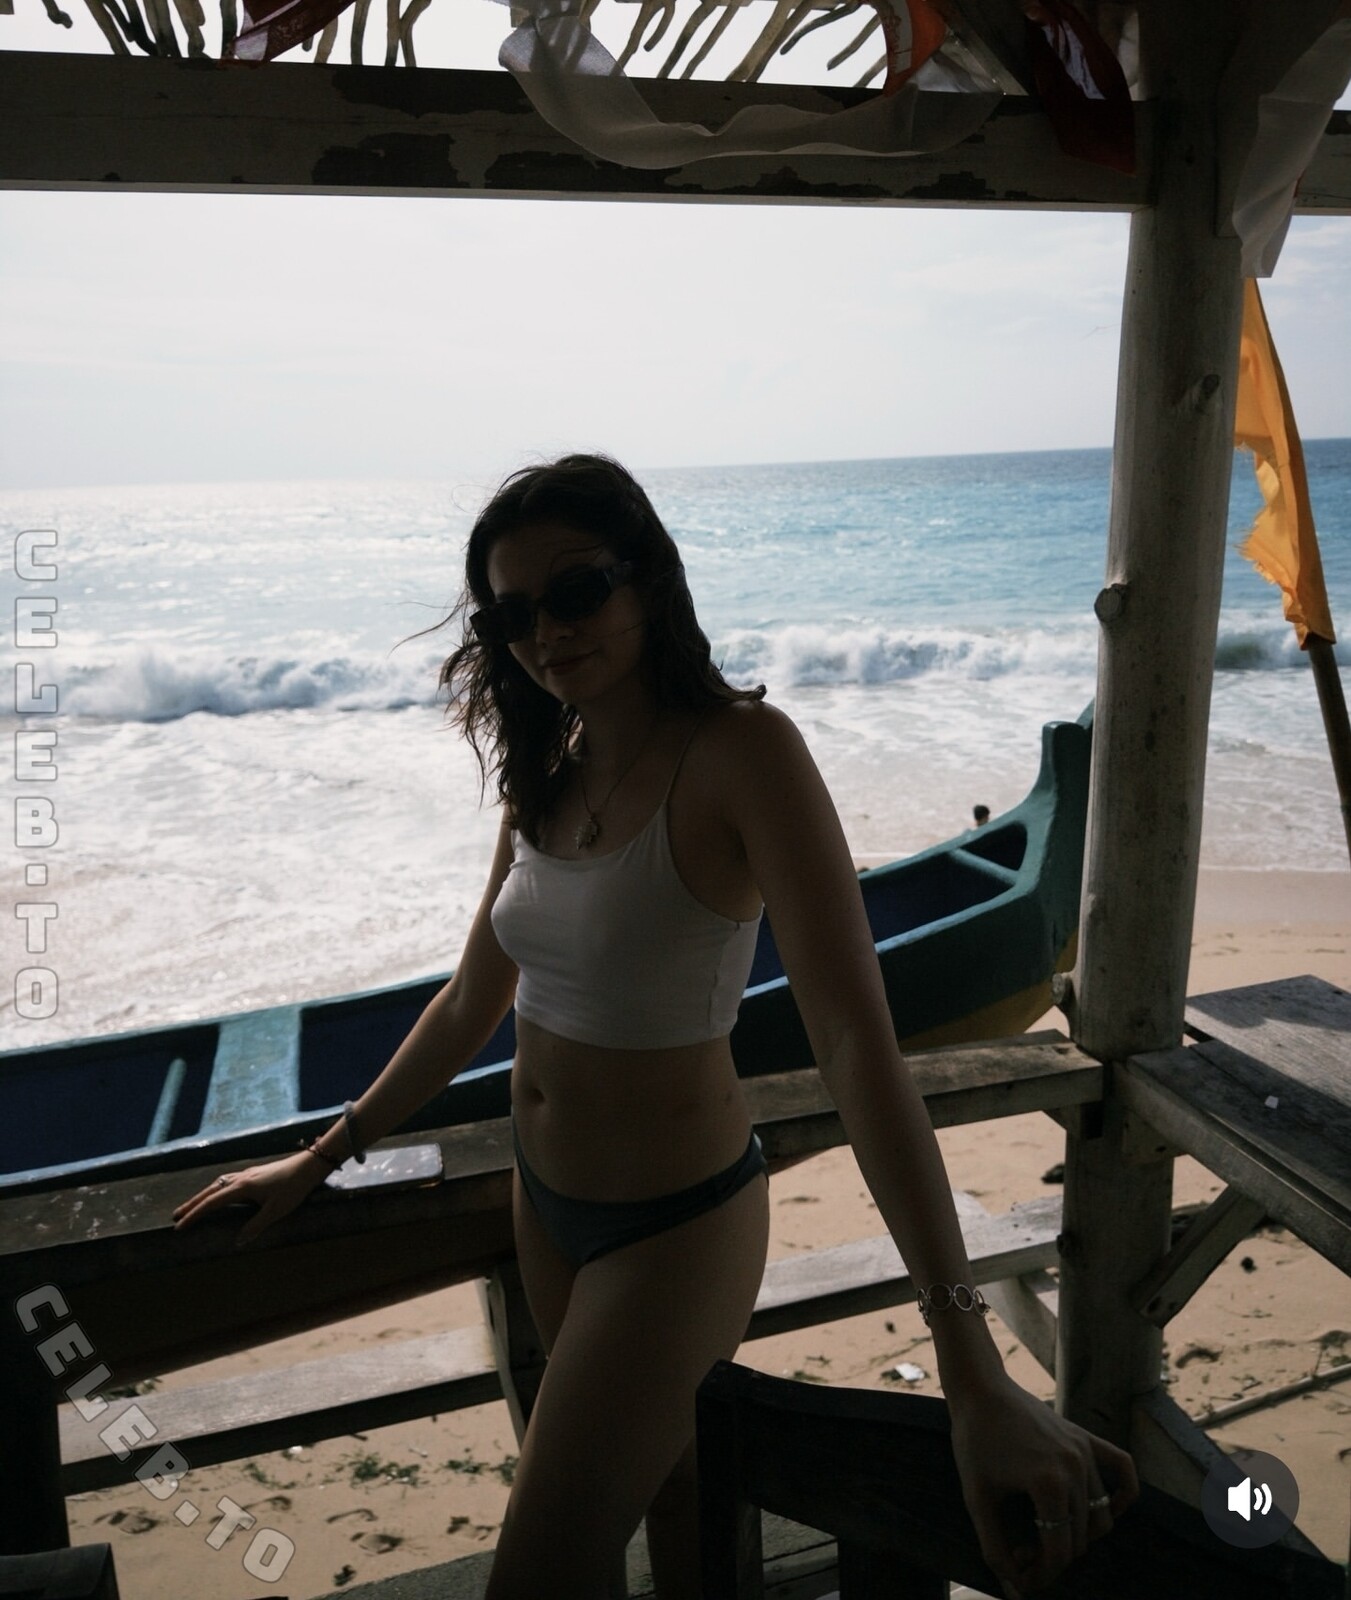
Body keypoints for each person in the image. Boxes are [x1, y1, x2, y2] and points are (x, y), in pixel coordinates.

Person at [174, 454, 1138, 1600]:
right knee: (672, 1501)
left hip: (675, 1228)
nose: (546, 632)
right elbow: (472, 998)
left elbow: (853, 1044)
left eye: (576, 591)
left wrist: (966, 1359)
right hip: (544, 1202)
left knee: (537, 1574)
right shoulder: (548, 763)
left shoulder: (742, 752)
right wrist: (321, 1157)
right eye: (511, 615)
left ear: (649, 578)